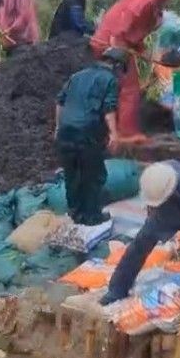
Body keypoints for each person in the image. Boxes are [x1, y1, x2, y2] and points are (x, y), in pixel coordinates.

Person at [100, 160, 180, 307]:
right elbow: (151, 209)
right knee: (141, 242)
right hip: (169, 206)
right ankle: (117, 289)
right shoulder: (156, 174)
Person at [89, 0, 178, 142]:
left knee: (113, 88)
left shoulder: (146, 0)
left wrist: (156, 57)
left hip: (113, 43)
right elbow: (125, 23)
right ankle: (127, 134)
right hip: (111, 44)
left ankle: (112, 130)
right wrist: (116, 46)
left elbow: (136, 42)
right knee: (129, 89)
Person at [54, 48, 126, 226]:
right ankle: (92, 217)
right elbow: (109, 109)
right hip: (87, 133)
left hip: (66, 131)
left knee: (72, 175)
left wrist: (57, 127)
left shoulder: (77, 76)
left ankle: (75, 214)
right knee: (93, 175)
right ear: (116, 65)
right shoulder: (109, 79)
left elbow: (60, 102)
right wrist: (114, 135)